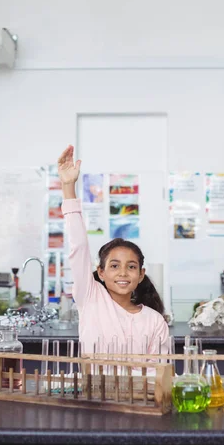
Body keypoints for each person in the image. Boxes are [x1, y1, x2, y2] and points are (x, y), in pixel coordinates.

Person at [58, 144, 169, 358]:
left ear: (141, 274)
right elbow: (78, 247)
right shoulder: (90, 297)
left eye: (131, 267)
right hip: (92, 391)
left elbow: (159, 374)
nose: (123, 273)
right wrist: (68, 186)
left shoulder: (154, 321)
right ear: (101, 272)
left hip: (139, 392)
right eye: (114, 266)